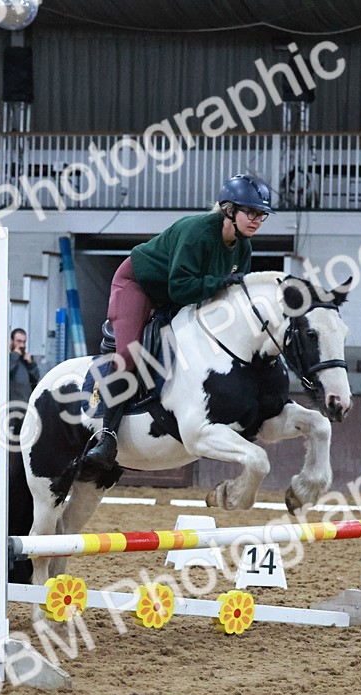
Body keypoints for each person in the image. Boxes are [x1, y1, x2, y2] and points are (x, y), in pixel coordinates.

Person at [82, 173, 273, 471]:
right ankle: (105, 433)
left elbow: (226, 297)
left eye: (262, 215)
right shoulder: (196, 231)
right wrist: (221, 281)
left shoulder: (244, 246)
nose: (257, 220)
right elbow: (180, 287)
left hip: (177, 294)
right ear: (228, 210)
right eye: (251, 212)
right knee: (129, 354)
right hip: (140, 284)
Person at [8, 328, 40, 441]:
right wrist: (14, 355)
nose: (21, 345)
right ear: (11, 341)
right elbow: (6, 372)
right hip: (11, 411)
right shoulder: (8, 358)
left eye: (24, 342)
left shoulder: (25, 361)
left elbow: (36, 379)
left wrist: (31, 364)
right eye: (18, 341)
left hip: (25, 409)